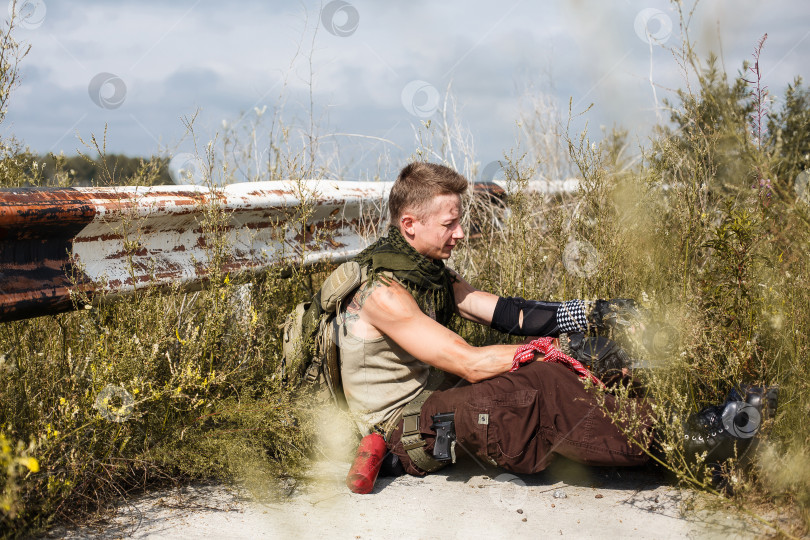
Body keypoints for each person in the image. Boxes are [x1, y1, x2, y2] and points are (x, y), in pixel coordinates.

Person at [334, 162, 653, 477]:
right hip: (400, 429)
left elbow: (511, 314)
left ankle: (654, 413)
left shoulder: (425, 273)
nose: (459, 233)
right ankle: (669, 442)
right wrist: (562, 349)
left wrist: (592, 313)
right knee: (537, 384)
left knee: (542, 359)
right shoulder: (384, 293)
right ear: (410, 224)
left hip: (431, 396)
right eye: (450, 224)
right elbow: (469, 363)